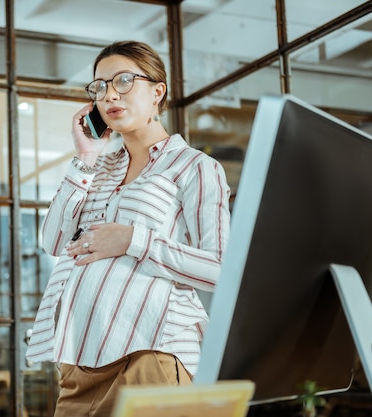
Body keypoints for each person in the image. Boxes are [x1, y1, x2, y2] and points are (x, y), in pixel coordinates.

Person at [26, 40, 231, 417]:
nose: (110, 95)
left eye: (123, 81)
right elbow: (53, 241)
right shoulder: (97, 169)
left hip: (150, 354)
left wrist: (133, 240)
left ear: (158, 91)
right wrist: (85, 157)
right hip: (78, 362)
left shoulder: (194, 167)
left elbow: (222, 268)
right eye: (99, 86)